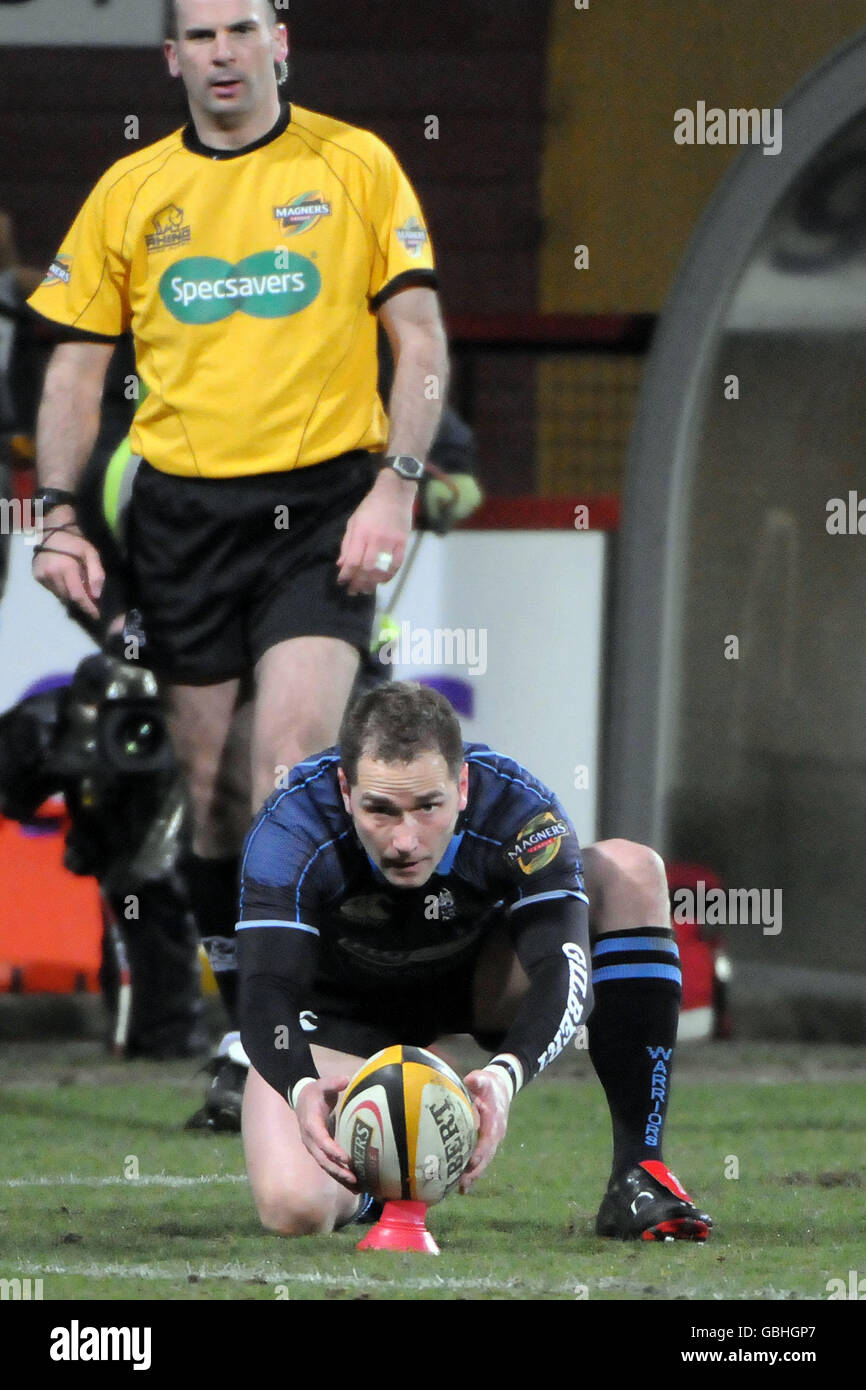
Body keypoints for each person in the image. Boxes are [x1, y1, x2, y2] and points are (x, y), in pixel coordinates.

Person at [25, 1, 448, 1110]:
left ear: (281, 41)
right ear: (172, 57)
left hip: (322, 506)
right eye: (201, 36)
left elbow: (421, 339)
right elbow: (74, 369)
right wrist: (58, 514)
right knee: (211, 800)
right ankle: (243, 1019)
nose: (223, 52)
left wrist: (394, 488)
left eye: (241, 29)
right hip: (181, 521)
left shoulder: (353, 165)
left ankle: (288, 1040)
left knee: (291, 765)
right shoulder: (130, 192)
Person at [236, 681, 713, 1241]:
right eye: (380, 810)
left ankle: (640, 1173)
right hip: (342, 1018)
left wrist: (506, 1075)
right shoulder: (291, 823)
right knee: (296, 1210)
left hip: (478, 985)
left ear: (462, 786)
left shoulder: (518, 810)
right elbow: (265, 989)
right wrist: (297, 1085)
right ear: (345, 788)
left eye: (428, 807)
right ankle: (386, 1182)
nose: (405, 841)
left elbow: (568, 973)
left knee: (631, 870)